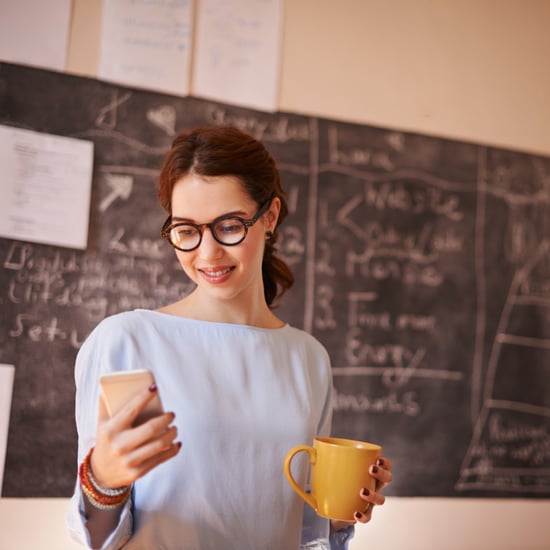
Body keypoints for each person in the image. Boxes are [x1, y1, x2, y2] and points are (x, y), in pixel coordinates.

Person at [67, 126, 393, 549]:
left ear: (270, 217)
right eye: (186, 230)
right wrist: (103, 483)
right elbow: (97, 540)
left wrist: (344, 510)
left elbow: (306, 533)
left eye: (230, 226)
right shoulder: (129, 343)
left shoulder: (307, 358)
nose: (207, 254)